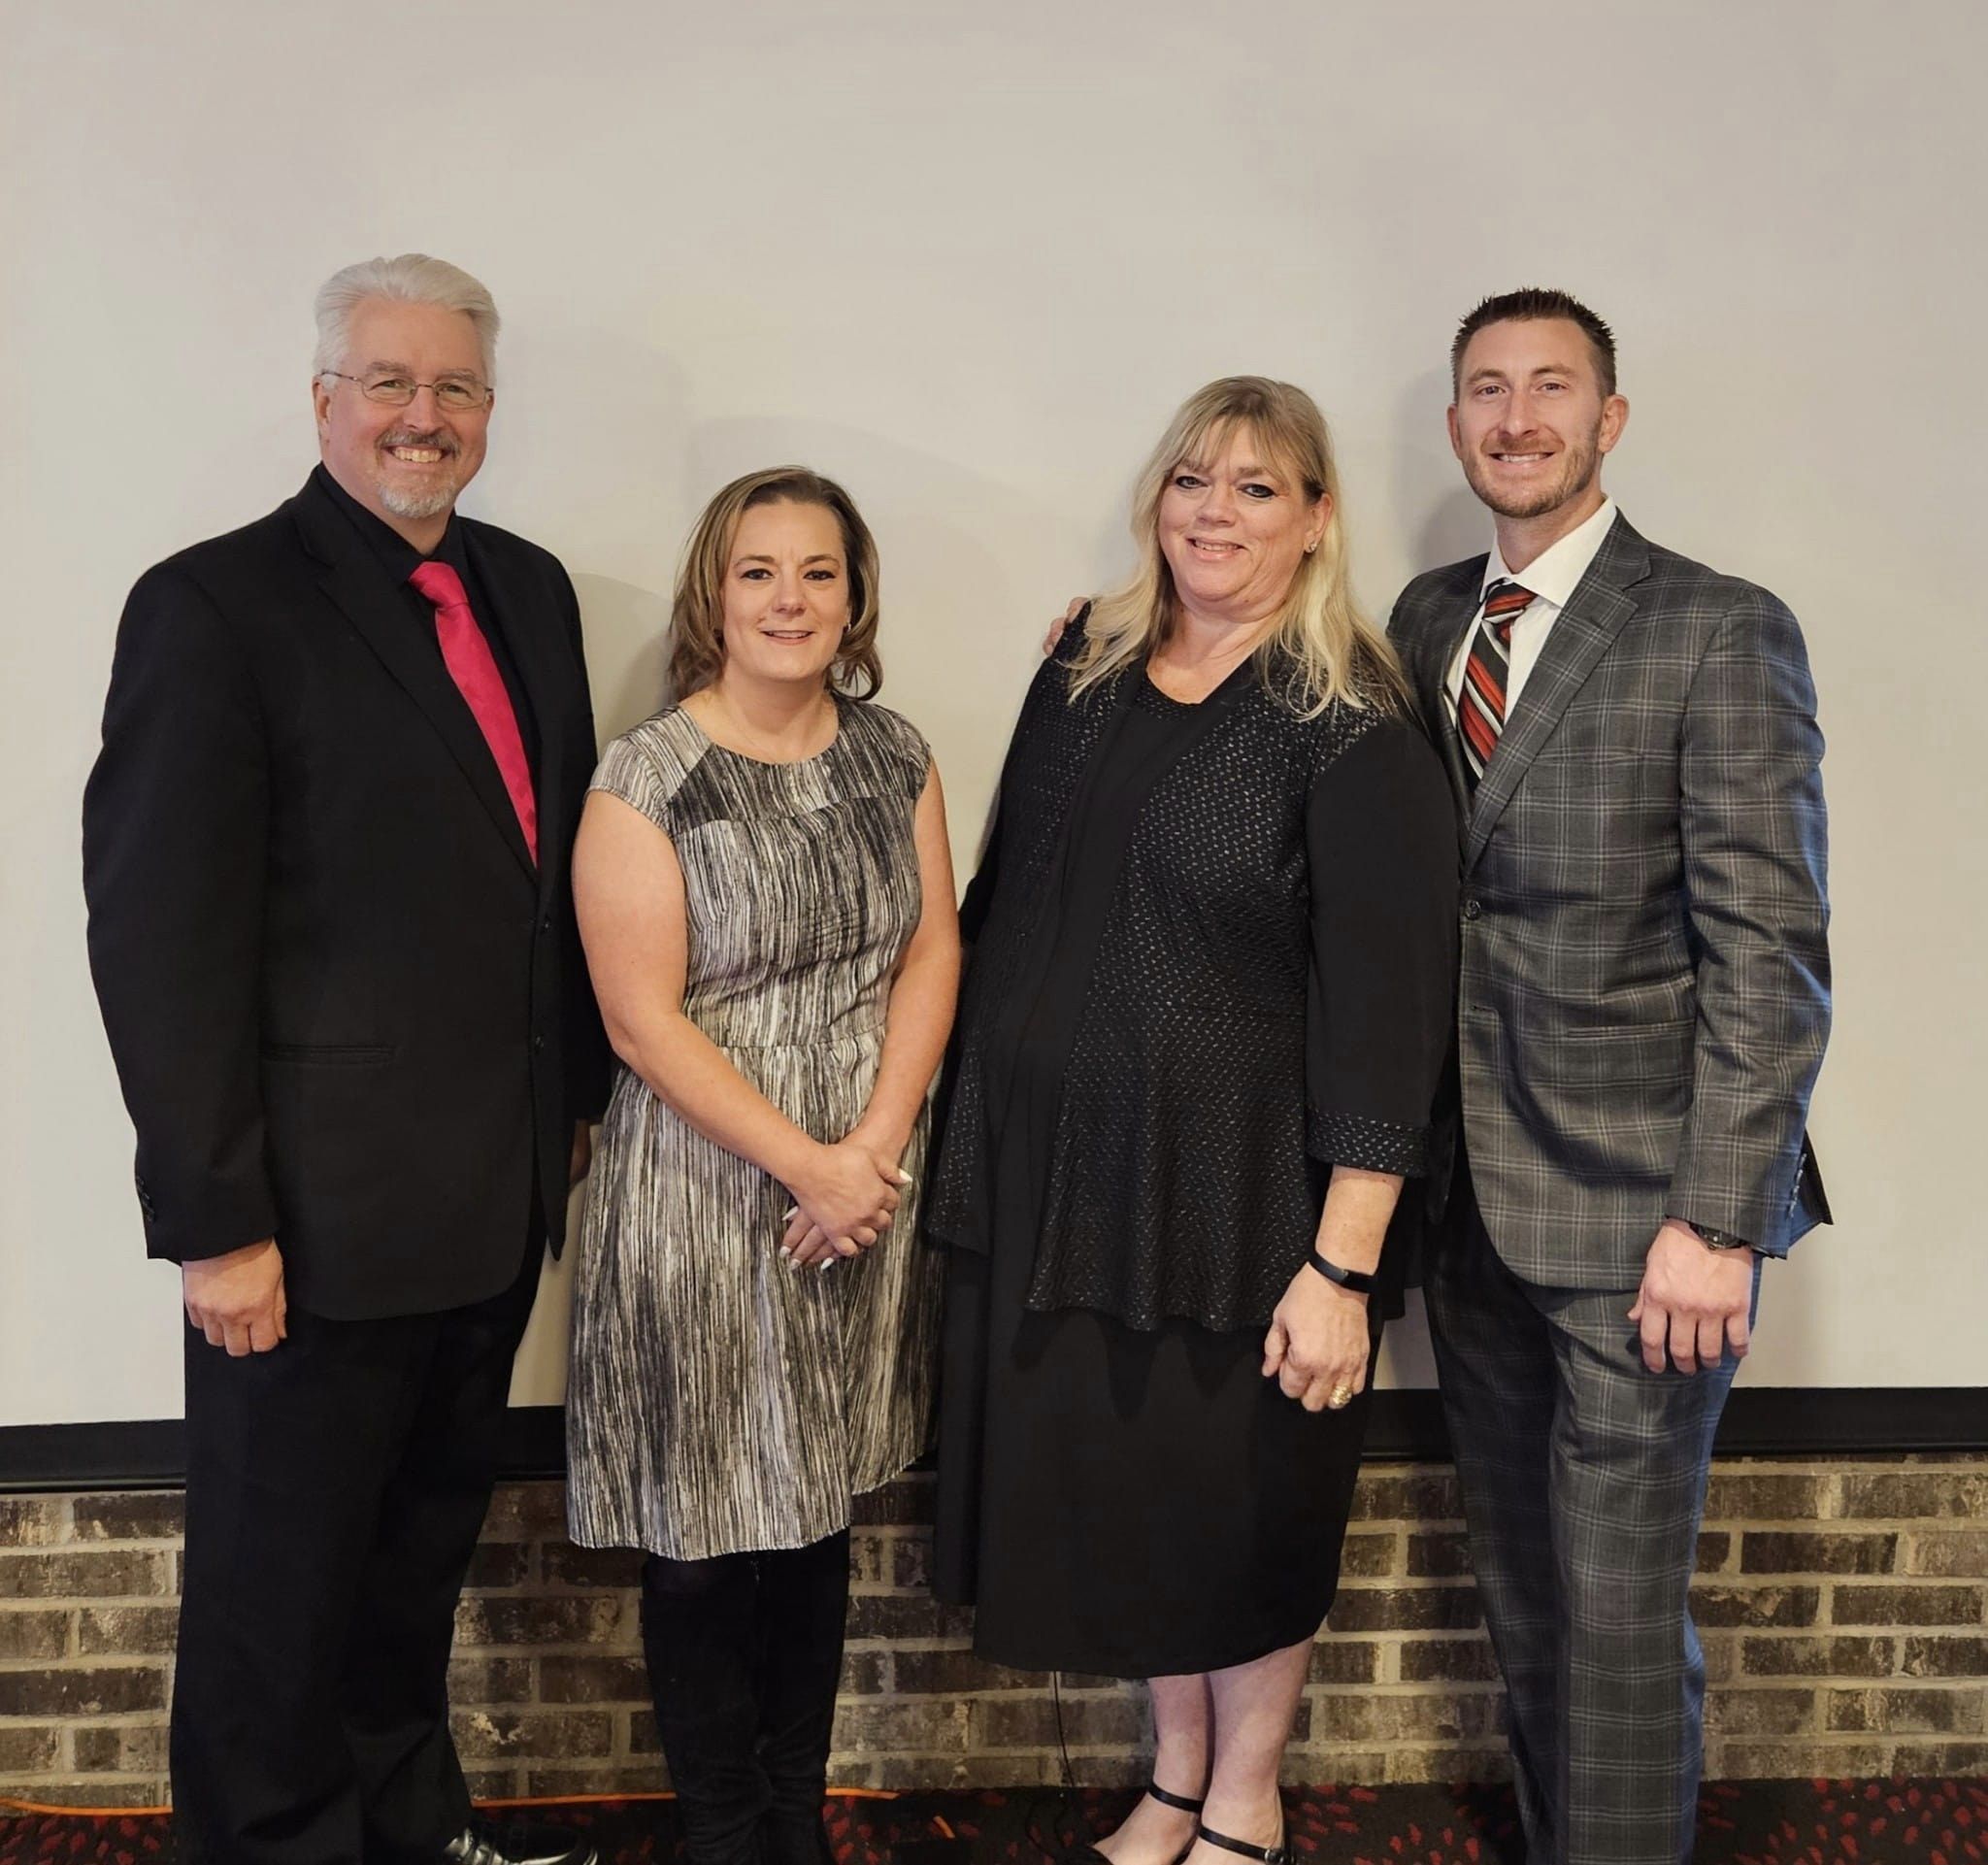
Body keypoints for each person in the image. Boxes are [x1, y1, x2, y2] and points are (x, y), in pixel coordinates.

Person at [83, 254, 607, 1865]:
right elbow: (161, 940)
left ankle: (411, 1831)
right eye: (387, 381)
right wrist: (215, 1221)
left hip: (489, 1200)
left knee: (409, 1575)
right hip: (305, 1230)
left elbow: (551, 883)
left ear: (490, 410)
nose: (420, 416)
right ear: (323, 398)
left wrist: (574, 1103)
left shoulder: (529, 590)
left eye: (454, 387)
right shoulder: (213, 607)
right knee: (276, 1597)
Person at [932, 379, 1457, 1865]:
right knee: (1140, 1516)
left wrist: (1343, 1263)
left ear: (1318, 519)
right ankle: (1174, 1777)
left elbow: (1392, 1011)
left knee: (1242, 1518)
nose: (1215, 511)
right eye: (1193, 479)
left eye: (1258, 486)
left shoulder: (1349, 721)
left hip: (1248, 1209)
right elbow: (1006, 902)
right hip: (1068, 1188)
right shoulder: (1083, 672)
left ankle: (1247, 1796)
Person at [1388, 288, 1831, 1865]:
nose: (1517, 417)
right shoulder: (1426, 620)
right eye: (1486, 389)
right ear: (1457, 424)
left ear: (1610, 419)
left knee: (1623, 1622)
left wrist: (1719, 1218)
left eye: (1551, 386)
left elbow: (1771, 953)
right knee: (1528, 1600)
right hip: (1471, 1212)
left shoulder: (1718, 626)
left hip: (1649, 1226)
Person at [563, 467, 959, 1865]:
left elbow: (933, 948)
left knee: (812, 1522)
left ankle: (796, 1819)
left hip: (862, 1197)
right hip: (707, 1201)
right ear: (713, 595)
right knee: (705, 1533)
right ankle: (725, 1835)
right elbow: (640, 1020)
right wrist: (809, 1164)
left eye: (817, 572)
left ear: (854, 598)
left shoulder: (895, 755)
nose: (789, 599)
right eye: (757, 571)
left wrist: (874, 1150)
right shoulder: (646, 778)